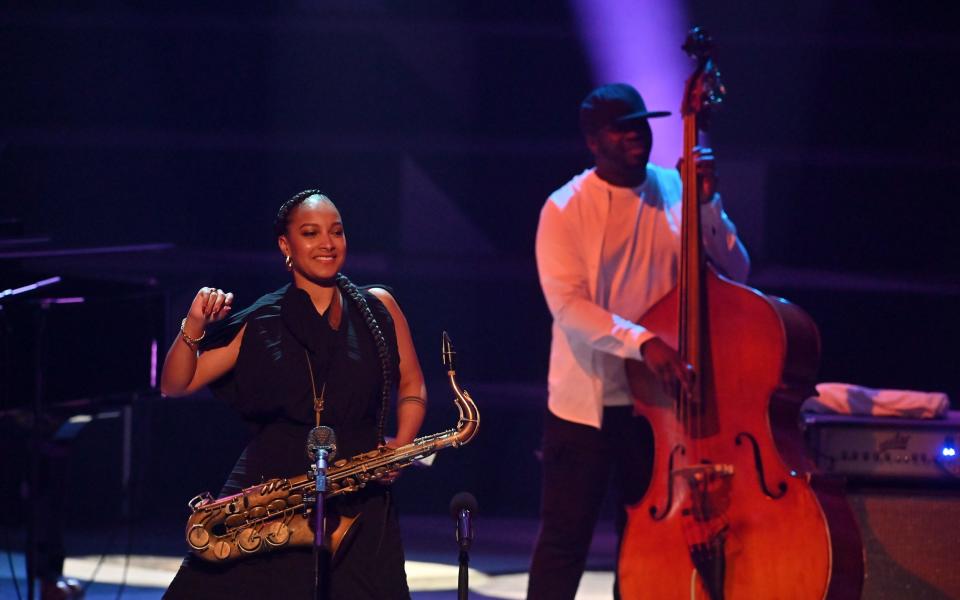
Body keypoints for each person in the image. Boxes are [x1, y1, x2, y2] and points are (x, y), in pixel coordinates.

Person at [527, 83, 750, 600]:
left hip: (661, 408)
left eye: (640, 124)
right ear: (592, 141)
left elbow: (737, 270)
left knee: (647, 539)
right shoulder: (564, 209)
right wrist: (645, 342)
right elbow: (569, 307)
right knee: (565, 542)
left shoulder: (676, 189)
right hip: (587, 404)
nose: (634, 135)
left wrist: (710, 202)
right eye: (620, 127)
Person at [160, 190, 427, 599]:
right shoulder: (263, 319)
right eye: (311, 232)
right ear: (286, 246)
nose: (327, 243)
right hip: (270, 499)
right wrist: (194, 324)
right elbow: (176, 384)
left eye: (336, 232)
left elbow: (412, 384)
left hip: (360, 492)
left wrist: (402, 448)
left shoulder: (379, 308)